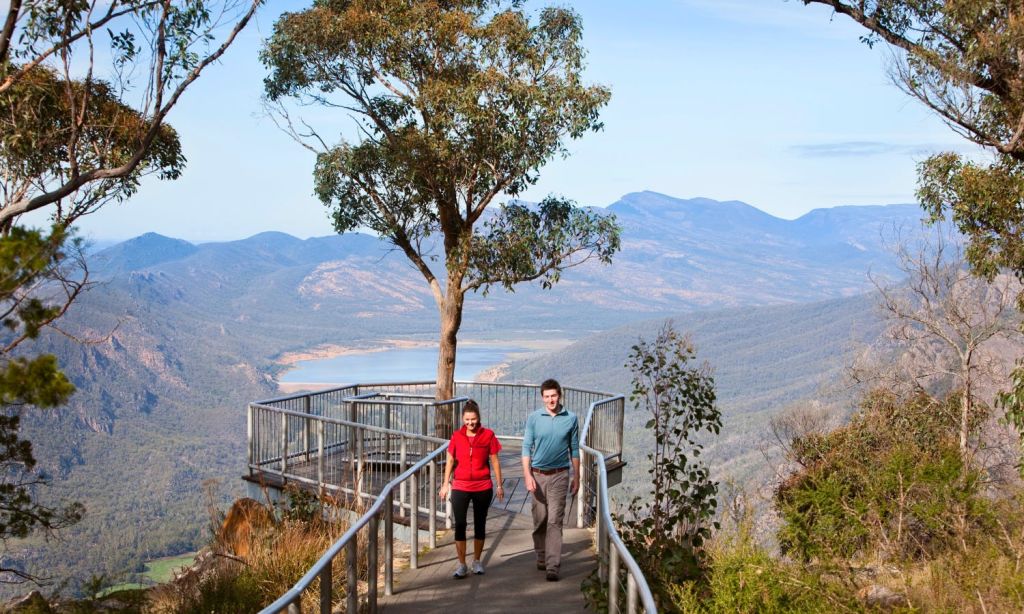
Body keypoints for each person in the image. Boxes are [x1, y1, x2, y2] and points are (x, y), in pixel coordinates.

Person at [521, 378, 579, 582]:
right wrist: (527, 475)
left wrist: (577, 475)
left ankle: (553, 565)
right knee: (540, 519)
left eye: (554, 395)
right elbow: (526, 447)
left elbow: (574, 449)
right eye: (547, 396)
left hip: (560, 475)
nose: (550, 400)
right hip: (537, 475)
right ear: (542, 398)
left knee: (555, 520)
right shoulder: (534, 418)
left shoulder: (571, 418)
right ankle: (541, 554)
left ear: (559, 395)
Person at [438, 400, 504, 579]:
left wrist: (499, 484)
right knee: (460, 525)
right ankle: (461, 565)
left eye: (473, 419)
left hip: (483, 486)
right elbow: (450, 461)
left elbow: (495, 460)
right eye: (467, 420)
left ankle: (476, 561)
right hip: (460, 486)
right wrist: (445, 485)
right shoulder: (456, 436)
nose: (470, 423)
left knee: (480, 524)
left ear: (478, 418)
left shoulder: (488, 435)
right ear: (462, 419)